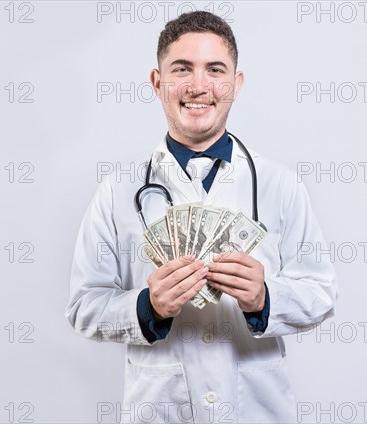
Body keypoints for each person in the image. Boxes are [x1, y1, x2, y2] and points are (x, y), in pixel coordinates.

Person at [66, 11, 338, 424]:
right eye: (181, 69)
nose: (198, 86)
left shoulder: (280, 185)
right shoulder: (117, 191)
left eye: (215, 70)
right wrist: (147, 307)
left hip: (258, 411)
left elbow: (321, 293)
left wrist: (265, 298)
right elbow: (84, 305)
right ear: (158, 83)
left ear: (236, 84)